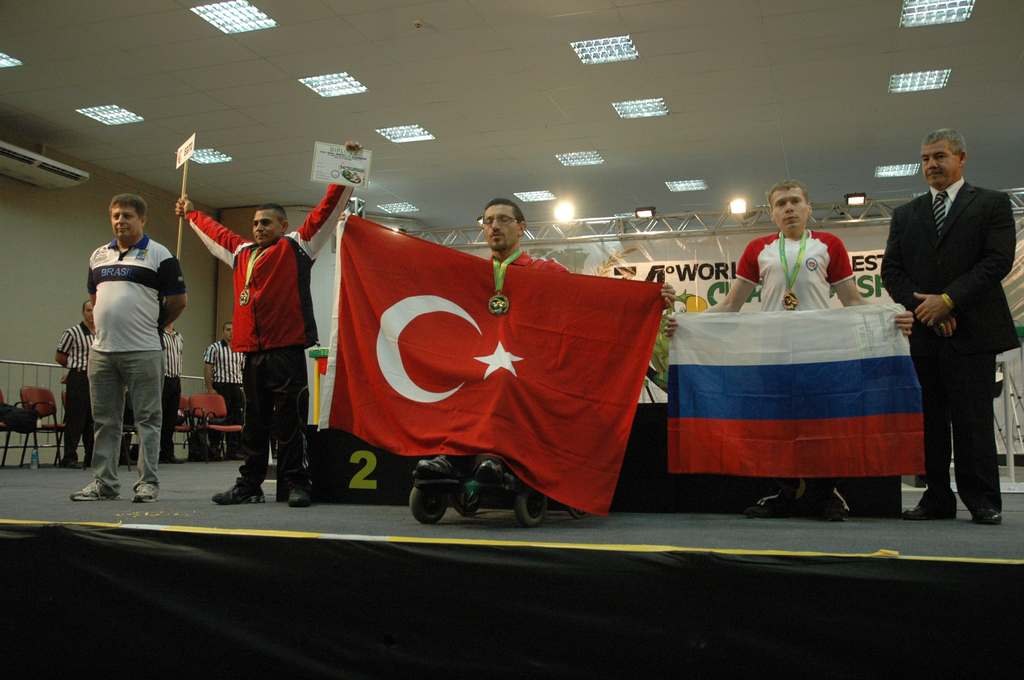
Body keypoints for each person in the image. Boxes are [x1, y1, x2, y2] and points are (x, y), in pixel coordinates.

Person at [414, 197, 678, 484]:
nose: (494, 227)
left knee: (504, 380)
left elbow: (594, 304)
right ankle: (454, 455)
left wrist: (651, 301)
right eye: (488, 221)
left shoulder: (547, 273)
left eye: (503, 219)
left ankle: (494, 458)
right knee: (469, 378)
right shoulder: (473, 276)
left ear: (521, 227)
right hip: (484, 363)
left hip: (537, 370)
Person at [709, 179, 914, 521]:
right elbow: (731, 304)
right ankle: (785, 493)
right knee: (778, 426)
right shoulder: (758, 249)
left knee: (821, 424)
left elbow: (852, 300)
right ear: (772, 213)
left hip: (819, 353)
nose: (788, 208)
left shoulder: (828, 244)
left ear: (808, 208)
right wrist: (687, 322)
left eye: (794, 202)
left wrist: (890, 317)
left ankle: (824, 494)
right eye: (780, 204)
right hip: (772, 355)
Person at [178, 157, 357, 508]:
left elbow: (327, 209)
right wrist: (190, 213)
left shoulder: (298, 246)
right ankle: (250, 485)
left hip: (287, 349)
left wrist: (347, 164)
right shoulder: (242, 253)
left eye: (266, 222)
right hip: (251, 352)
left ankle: (296, 483)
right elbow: (218, 235)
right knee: (254, 425)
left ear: (283, 224)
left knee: (290, 421)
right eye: (256, 223)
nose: (259, 228)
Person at [882, 128, 1016, 526]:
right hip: (925, 333)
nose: (931, 165)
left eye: (939, 156)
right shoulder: (906, 215)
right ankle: (936, 497)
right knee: (931, 420)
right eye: (924, 158)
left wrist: (949, 301)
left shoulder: (991, 204)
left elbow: (996, 261)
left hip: (974, 331)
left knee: (972, 419)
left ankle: (982, 500)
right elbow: (892, 270)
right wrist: (926, 309)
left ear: (961, 158)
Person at [71, 193, 187, 502]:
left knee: (148, 420)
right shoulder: (98, 257)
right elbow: (95, 300)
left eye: (127, 216)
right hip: (103, 353)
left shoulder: (159, 255)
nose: (120, 221)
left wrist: (157, 325)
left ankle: (147, 483)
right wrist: (101, 330)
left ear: (142, 220)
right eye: (116, 216)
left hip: (144, 350)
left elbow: (179, 301)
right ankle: (104, 483)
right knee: (105, 421)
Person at [55, 300, 95, 469]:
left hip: (96, 380)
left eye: (94, 310)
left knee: (92, 420)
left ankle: (91, 457)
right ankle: (69, 457)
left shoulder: (102, 333)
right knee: (75, 418)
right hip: (78, 378)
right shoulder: (72, 332)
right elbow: (60, 356)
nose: (91, 314)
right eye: (88, 310)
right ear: (83, 312)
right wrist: (74, 368)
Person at [202, 321, 245, 460]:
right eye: (228, 329)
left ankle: (233, 450)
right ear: (223, 331)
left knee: (236, 418)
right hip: (221, 386)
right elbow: (208, 367)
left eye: (233, 330)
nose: (231, 332)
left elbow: (243, 369)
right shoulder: (214, 348)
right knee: (219, 418)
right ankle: (214, 449)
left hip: (236, 386)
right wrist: (210, 388)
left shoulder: (240, 349)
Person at [159, 323, 184, 464]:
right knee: (160, 418)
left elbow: (180, 356)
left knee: (170, 419)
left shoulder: (179, 336)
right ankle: (157, 452)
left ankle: (168, 453)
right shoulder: (159, 335)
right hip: (163, 379)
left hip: (176, 379)